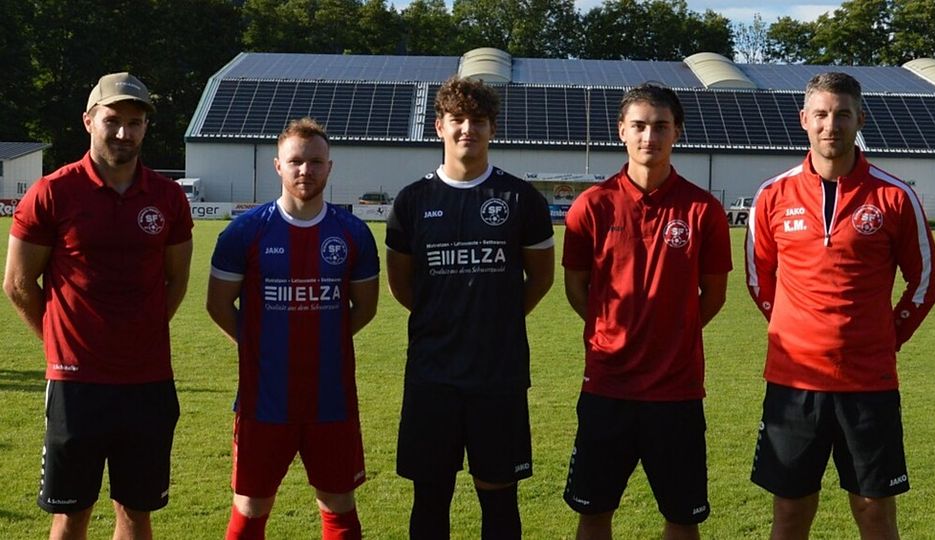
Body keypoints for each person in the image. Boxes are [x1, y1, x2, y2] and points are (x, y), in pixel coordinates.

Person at [745, 72, 935, 539]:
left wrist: (886, 335)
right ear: (804, 120)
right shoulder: (773, 195)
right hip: (794, 382)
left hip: (868, 381)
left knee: (875, 511)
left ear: (859, 120)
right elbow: (759, 279)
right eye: (821, 114)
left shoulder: (895, 195)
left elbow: (926, 282)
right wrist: (798, 331)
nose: (830, 124)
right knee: (790, 513)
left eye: (842, 114)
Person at [3, 72, 193, 539]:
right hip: (76, 384)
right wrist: (61, 344)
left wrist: (139, 335)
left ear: (146, 127)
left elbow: (177, 279)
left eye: (136, 122)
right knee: (71, 513)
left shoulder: (168, 198)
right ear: (89, 121)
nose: (125, 132)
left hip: (147, 381)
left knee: (136, 511)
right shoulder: (52, 192)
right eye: (113, 120)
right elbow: (19, 283)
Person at [385, 76, 554, 539]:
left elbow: (540, 278)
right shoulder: (412, 201)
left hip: (497, 376)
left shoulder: (521, 198)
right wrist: (443, 318)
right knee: (430, 498)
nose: (467, 130)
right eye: (457, 120)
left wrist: (496, 316)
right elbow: (402, 284)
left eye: (477, 121)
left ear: (492, 129)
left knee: (499, 498)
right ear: (439, 126)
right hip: (431, 375)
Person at [561, 84, 731, 540]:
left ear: (677, 132)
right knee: (593, 513)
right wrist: (608, 328)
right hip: (607, 386)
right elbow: (575, 286)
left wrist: (674, 330)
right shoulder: (591, 205)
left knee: (682, 517)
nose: (649, 136)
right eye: (638, 125)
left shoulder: (704, 209)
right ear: (622, 131)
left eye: (660, 126)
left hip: (676, 391)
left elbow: (713, 293)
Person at [206, 117, 378, 540]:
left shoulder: (353, 232)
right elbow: (218, 305)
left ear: (330, 167)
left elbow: (365, 308)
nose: (306, 170)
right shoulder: (245, 232)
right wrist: (258, 346)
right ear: (278, 166)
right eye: (296, 161)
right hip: (263, 399)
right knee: (250, 505)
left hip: (332, 397)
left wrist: (325, 341)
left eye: (316, 162)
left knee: (339, 503)